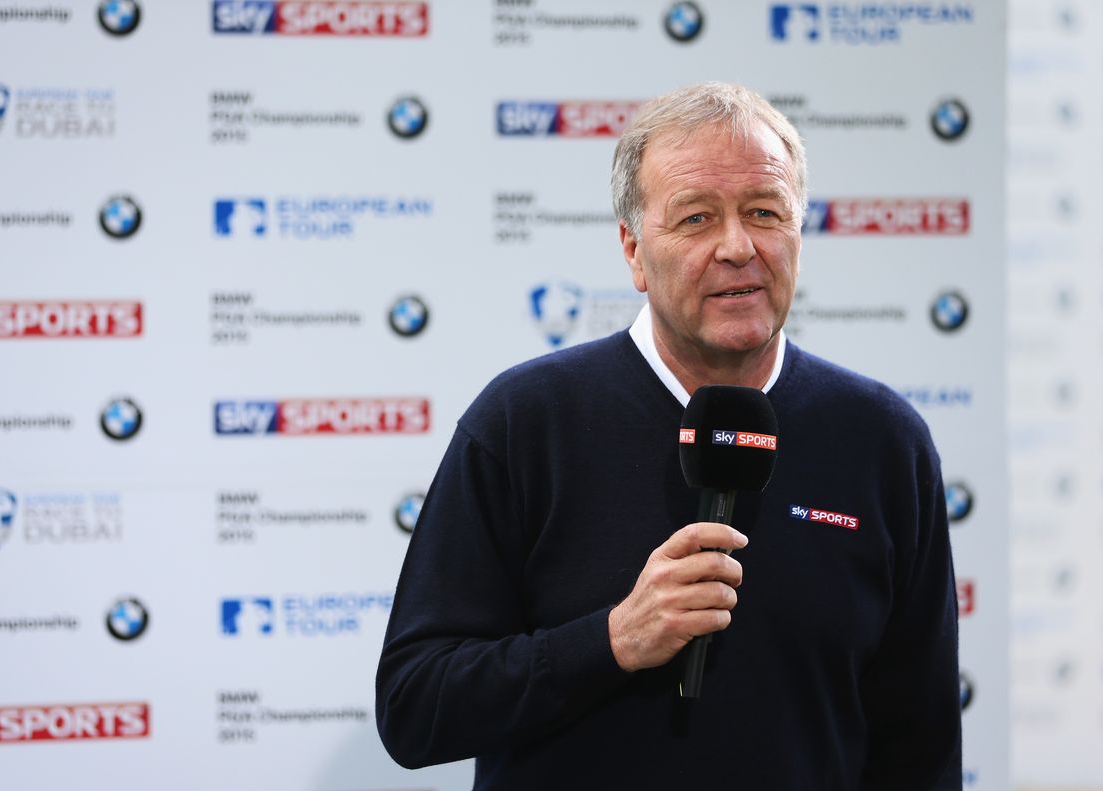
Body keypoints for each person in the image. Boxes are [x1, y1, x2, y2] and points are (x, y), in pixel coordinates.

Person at [376, 82, 961, 790]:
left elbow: (919, 743)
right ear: (632, 250)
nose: (738, 246)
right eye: (695, 219)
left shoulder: (883, 440)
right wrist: (613, 639)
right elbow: (414, 705)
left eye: (765, 212)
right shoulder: (524, 422)